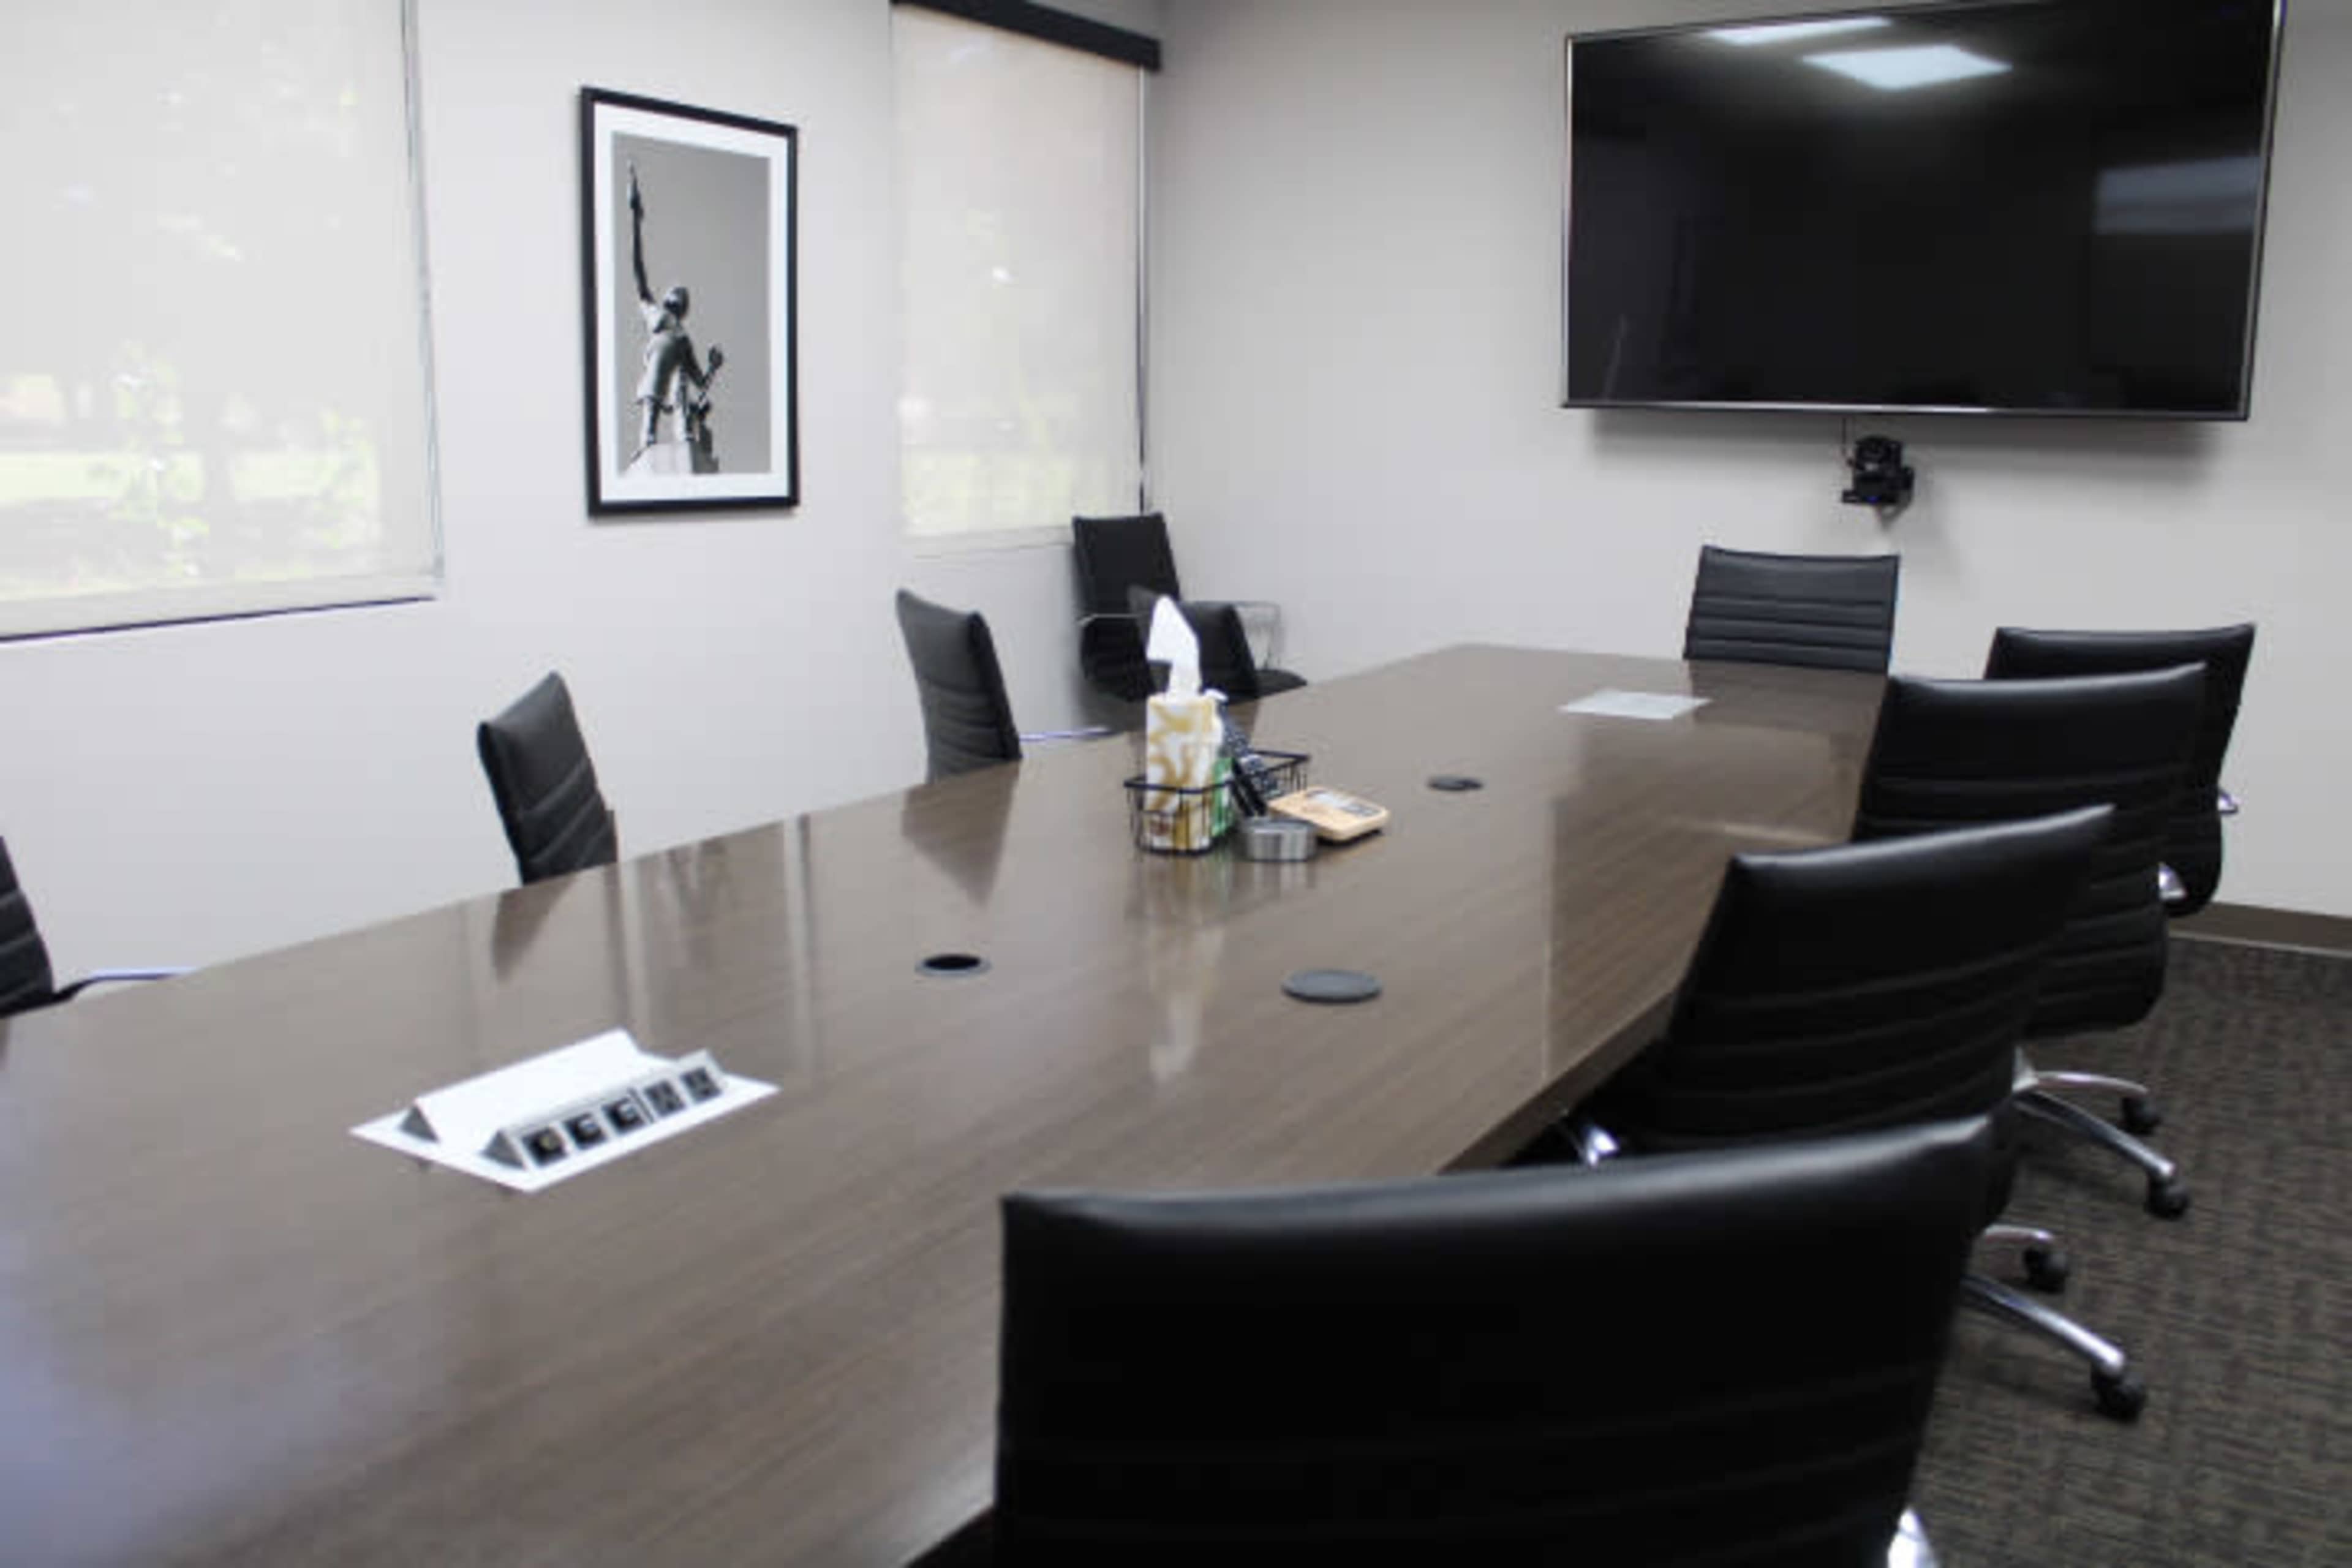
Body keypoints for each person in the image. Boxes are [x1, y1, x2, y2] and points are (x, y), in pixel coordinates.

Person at [628, 162, 723, 457]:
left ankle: (685, 435)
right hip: (655, 366)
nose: (677, 293)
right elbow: (638, 268)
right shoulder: (653, 311)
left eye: (682, 294)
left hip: (677, 377)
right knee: (653, 394)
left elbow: (700, 381)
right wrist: (635, 221)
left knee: (680, 384)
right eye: (674, 290)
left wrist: (713, 367)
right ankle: (647, 442)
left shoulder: (683, 338)